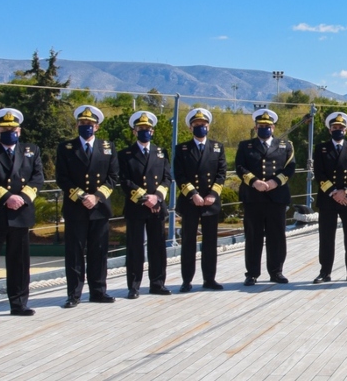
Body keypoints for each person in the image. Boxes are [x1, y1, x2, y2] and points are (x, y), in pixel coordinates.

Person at [0, 108, 42, 321]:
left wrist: (22, 197)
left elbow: (37, 177)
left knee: (20, 262)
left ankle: (19, 303)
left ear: (19, 131)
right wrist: (6, 198)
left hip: (21, 212)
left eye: (13, 129)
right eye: (4, 129)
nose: (9, 132)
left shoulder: (31, 150)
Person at [56, 105, 119, 308]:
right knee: (74, 253)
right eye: (83, 123)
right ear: (77, 125)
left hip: (99, 208)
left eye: (90, 124)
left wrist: (97, 196)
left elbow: (113, 177)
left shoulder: (107, 147)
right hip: (76, 207)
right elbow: (62, 178)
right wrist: (83, 196)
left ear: (97, 127)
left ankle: (98, 291)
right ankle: (74, 294)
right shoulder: (66, 148)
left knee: (98, 252)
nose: (86, 127)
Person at [236, 108, 295, 285]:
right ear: (255, 127)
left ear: (273, 127)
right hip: (253, 197)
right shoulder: (245, 146)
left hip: (276, 197)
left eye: (268, 126)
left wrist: (275, 182)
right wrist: (254, 181)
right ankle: (252, 273)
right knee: (253, 236)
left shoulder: (285, 146)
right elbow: (240, 167)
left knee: (276, 236)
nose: (264, 128)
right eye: (261, 125)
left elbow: (290, 168)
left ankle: (276, 272)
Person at [118, 111, 171, 298]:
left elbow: (167, 178)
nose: (145, 132)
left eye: (148, 129)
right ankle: (134, 285)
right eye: (141, 129)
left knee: (158, 247)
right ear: (134, 132)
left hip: (156, 206)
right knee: (135, 248)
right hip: (136, 207)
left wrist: (156, 196)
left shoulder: (160, 152)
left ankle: (157, 283)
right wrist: (144, 198)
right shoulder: (125, 154)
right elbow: (124, 181)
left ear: (153, 131)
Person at [174, 107, 226, 292]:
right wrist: (193, 194)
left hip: (210, 203)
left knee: (210, 242)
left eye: (203, 125)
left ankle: (209, 279)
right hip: (191, 202)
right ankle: (187, 280)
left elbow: (221, 173)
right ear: (190, 128)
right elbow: (179, 175)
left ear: (208, 127)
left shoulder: (217, 147)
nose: (200, 127)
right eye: (196, 125)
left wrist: (213, 194)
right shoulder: (182, 149)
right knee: (188, 242)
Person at [313, 111, 347, 284]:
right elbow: (319, 173)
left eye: (341, 127)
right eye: (335, 127)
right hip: (328, 198)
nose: (338, 130)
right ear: (330, 130)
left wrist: (346, 191)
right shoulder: (321, 148)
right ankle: (325, 272)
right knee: (326, 236)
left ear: (346, 130)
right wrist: (334, 193)